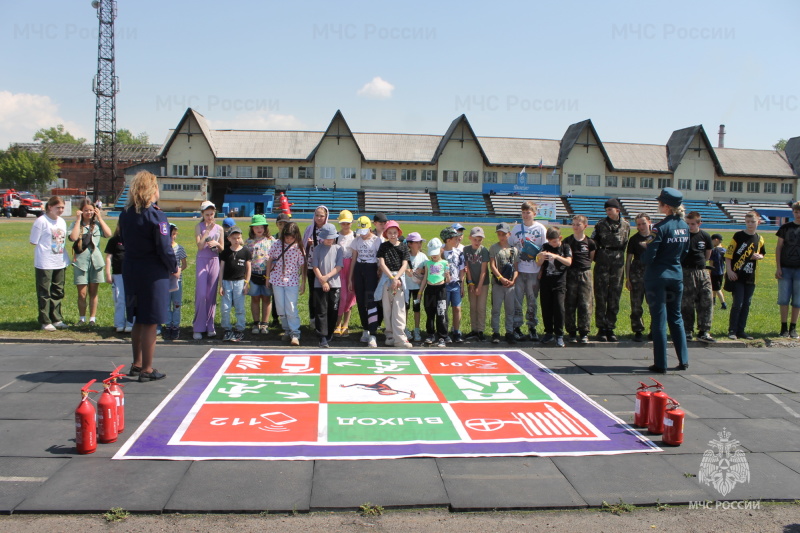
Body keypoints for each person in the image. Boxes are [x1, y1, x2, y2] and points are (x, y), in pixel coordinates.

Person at [119, 171, 178, 382]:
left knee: (138, 318)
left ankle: (136, 363)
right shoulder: (156, 215)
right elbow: (164, 247)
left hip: (131, 269)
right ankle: (147, 368)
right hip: (152, 272)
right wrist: (173, 266)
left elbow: (123, 239)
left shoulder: (125, 213)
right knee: (151, 320)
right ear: (152, 189)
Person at [641, 188, 690, 373]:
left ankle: (661, 363)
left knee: (659, 320)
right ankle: (683, 360)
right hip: (676, 275)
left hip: (657, 277)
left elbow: (649, 256)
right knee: (676, 318)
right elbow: (685, 252)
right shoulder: (684, 226)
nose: (658, 205)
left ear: (666, 206)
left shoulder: (659, 227)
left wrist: (643, 253)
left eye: (660, 203)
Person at [68, 197, 112, 326]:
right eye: (86, 210)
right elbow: (73, 237)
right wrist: (78, 220)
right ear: (81, 211)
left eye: (91, 210)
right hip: (81, 262)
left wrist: (100, 218)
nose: (89, 213)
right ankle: (82, 318)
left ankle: (92, 319)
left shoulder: (97, 225)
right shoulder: (75, 224)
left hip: (96, 261)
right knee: (82, 293)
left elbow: (108, 234)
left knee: (94, 291)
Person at [591, 198, 630, 342]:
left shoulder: (626, 225)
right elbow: (593, 243)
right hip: (603, 261)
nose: (608, 212)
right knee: (601, 295)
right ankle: (601, 328)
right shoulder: (600, 224)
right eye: (606, 210)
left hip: (618, 263)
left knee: (615, 295)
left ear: (618, 210)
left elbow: (625, 242)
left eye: (610, 209)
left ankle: (611, 327)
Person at [30, 196, 70, 331]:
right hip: (45, 261)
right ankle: (45, 320)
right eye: (58, 207)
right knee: (45, 292)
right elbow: (33, 241)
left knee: (58, 291)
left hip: (60, 260)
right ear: (49, 207)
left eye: (62, 207)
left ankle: (56, 318)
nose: (60, 210)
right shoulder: (41, 221)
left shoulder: (62, 222)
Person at [509, 201, 547, 341]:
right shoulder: (516, 228)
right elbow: (511, 247)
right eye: (523, 212)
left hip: (534, 270)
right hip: (519, 270)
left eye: (528, 212)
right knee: (517, 300)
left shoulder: (541, 229)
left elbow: (545, 249)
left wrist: (541, 268)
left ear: (534, 214)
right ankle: (516, 326)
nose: (525, 215)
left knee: (532, 301)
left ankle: (532, 326)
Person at [725, 211, 765, 340]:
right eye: (747, 222)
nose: (750, 224)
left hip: (751, 276)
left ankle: (741, 330)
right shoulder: (738, 236)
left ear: (758, 222)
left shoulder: (760, 238)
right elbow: (728, 255)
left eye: (753, 222)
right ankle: (732, 330)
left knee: (746, 304)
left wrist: (759, 256)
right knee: (738, 303)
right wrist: (730, 271)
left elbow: (762, 253)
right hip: (737, 275)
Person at [266, 221, 306, 346]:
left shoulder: (299, 248)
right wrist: (267, 277)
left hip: (292, 281)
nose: (289, 240)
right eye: (287, 237)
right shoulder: (277, 244)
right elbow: (270, 259)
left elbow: (303, 266)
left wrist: (303, 282)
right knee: (280, 307)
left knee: (291, 307)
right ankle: (287, 330)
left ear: (296, 236)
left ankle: (295, 333)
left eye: (291, 238)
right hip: (277, 280)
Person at [376, 220, 412, 348]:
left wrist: (396, 278)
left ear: (398, 233)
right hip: (387, 278)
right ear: (386, 234)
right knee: (387, 308)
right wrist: (391, 277)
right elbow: (382, 263)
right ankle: (389, 335)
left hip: (399, 279)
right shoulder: (383, 246)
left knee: (399, 309)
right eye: (390, 233)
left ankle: (400, 337)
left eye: (395, 232)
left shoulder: (403, 246)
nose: (392, 235)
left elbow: (405, 264)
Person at [535, 226, 572, 347]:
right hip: (546, 282)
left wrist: (556, 256)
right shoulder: (546, 247)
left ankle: (559, 334)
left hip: (559, 282)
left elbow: (569, 262)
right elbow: (538, 263)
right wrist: (540, 256)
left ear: (560, 238)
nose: (552, 244)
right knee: (546, 308)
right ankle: (548, 332)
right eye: (550, 242)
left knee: (559, 308)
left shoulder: (565, 247)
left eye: (554, 241)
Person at [681, 211, 715, 343]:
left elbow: (707, 254)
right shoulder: (683, 235)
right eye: (688, 224)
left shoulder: (704, 236)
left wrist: (701, 265)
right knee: (687, 302)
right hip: (686, 271)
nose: (690, 226)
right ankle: (687, 330)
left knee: (706, 300)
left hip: (701, 271)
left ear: (699, 223)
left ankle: (704, 330)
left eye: (693, 224)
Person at [349, 216, 382, 348]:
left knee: (371, 300)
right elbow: (353, 259)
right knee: (361, 300)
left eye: (365, 232)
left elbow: (379, 260)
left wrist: (379, 275)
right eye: (360, 232)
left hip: (371, 269)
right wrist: (351, 278)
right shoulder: (356, 240)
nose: (362, 235)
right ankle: (365, 328)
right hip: (359, 269)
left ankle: (373, 331)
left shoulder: (376, 240)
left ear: (370, 228)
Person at [193, 201, 223, 339]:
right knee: (201, 295)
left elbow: (222, 249)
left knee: (211, 295)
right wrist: (208, 232)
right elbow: (199, 246)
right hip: (202, 260)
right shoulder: (198, 227)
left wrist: (216, 243)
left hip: (214, 261)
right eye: (207, 214)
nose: (210, 217)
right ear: (202, 214)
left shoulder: (220, 229)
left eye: (211, 214)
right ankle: (198, 327)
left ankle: (210, 325)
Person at [563, 215, 595, 344]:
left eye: (578, 224)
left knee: (585, 304)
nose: (576, 227)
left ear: (585, 226)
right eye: (574, 224)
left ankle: (584, 332)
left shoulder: (590, 242)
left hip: (585, 274)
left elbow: (591, 258)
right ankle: (571, 332)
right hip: (570, 273)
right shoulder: (567, 241)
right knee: (570, 303)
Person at [311, 223, 343, 348]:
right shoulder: (317, 249)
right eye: (327, 237)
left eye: (332, 237)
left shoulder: (338, 249)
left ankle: (330, 332)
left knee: (333, 310)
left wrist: (327, 277)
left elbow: (339, 266)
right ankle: (322, 336)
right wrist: (322, 281)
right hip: (319, 284)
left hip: (335, 284)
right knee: (321, 310)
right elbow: (315, 266)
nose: (330, 240)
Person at [219, 226, 252, 342]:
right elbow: (221, 269)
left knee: (239, 308)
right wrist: (221, 285)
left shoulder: (245, 251)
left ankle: (239, 330)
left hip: (239, 282)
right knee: (225, 308)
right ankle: (227, 329)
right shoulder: (225, 252)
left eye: (238, 238)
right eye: (234, 238)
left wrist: (246, 283)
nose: (236, 240)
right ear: (229, 239)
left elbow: (248, 269)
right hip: (226, 282)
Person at [245, 214, 274, 335]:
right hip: (253, 275)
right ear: (252, 228)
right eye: (256, 227)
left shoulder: (271, 241)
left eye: (261, 227)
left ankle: (265, 323)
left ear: (265, 227)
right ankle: (256, 322)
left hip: (267, 275)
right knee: (255, 298)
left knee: (267, 299)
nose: (259, 229)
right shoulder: (248, 243)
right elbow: (246, 261)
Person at [775, 202, 800, 338]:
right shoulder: (785, 228)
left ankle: (793, 327)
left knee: (798, 301)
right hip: (785, 268)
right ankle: (783, 327)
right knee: (783, 299)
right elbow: (779, 247)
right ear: (793, 212)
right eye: (796, 212)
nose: (798, 215)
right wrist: (778, 267)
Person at [625, 213, 651, 343]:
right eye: (638, 224)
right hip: (637, 273)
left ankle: (654, 330)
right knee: (636, 304)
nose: (641, 226)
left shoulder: (657, 237)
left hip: (653, 273)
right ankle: (638, 330)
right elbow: (629, 259)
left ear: (649, 222)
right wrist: (628, 278)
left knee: (654, 304)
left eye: (643, 223)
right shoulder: (634, 239)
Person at [419, 237, 449, 347]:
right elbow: (425, 278)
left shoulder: (445, 263)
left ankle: (442, 336)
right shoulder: (428, 263)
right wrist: (420, 292)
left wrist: (448, 276)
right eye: (432, 254)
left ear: (441, 250)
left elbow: (448, 280)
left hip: (441, 290)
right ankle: (430, 334)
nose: (434, 256)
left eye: (436, 253)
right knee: (430, 314)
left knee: (441, 314)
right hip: (429, 290)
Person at [104, 221, 133, 333]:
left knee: (131, 299)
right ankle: (119, 323)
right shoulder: (113, 241)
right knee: (119, 299)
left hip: (131, 274)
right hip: (118, 274)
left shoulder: (134, 240)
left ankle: (130, 323)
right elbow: (108, 258)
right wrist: (108, 274)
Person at [303, 205, 329, 321]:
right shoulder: (309, 229)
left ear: (326, 217)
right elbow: (303, 246)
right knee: (313, 292)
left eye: (322, 216)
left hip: (325, 266)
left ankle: (324, 317)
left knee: (324, 292)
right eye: (317, 215)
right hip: (311, 265)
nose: (319, 218)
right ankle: (313, 317)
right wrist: (308, 244)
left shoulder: (329, 229)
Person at [464, 226, 490, 342]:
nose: (477, 242)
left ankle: (480, 330)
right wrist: (470, 283)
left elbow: (484, 270)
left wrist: (479, 286)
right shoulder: (466, 250)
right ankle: (474, 329)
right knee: (473, 306)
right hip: (472, 282)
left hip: (482, 283)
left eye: (479, 240)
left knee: (481, 307)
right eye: (475, 239)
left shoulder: (484, 251)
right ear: (470, 238)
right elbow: (467, 267)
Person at [441, 226, 466, 343]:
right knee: (444, 310)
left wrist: (462, 285)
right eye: (455, 238)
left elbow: (461, 269)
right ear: (448, 240)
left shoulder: (459, 252)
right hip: (444, 285)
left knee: (457, 308)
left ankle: (456, 331)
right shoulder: (440, 252)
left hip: (456, 284)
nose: (458, 239)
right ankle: (444, 333)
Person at [334, 210, 356, 337]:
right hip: (339, 268)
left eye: (348, 223)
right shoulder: (336, 236)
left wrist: (351, 275)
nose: (346, 226)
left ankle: (346, 324)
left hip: (351, 267)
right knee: (341, 296)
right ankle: (337, 323)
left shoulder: (355, 236)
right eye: (343, 223)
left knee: (350, 295)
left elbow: (354, 255)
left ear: (351, 223)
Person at [164, 224, 188, 340]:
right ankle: (168, 325)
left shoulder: (180, 248)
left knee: (177, 304)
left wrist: (179, 271)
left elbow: (184, 264)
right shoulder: (163, 248)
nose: (172, 237)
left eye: (174, 234)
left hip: (177, 281)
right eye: (170, 234)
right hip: (165, 281)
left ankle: (176, 326)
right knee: (166, 305)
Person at [404, 232, 428, 342]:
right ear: (410, 244)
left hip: (417, 289)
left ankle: (417, 329)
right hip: (406, 288)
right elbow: (401, 267)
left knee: (416, 309)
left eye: (420, 242)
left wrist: (422, 270)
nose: (419, 244)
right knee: (405, 308)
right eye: (417, 242)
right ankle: (405, 329)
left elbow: (428, 269)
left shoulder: (423, 257)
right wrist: (406, 270)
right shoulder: (405, 255)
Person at [709, 233, 727, 311]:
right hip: (721, 272)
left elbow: (711, 262)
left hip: (714, 272)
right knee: (715, 287)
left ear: (716, 240)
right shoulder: (724, 250)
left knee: (717, 288)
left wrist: (710, 271)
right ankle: (713, 300)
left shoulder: (714, 250)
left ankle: (723, 304)